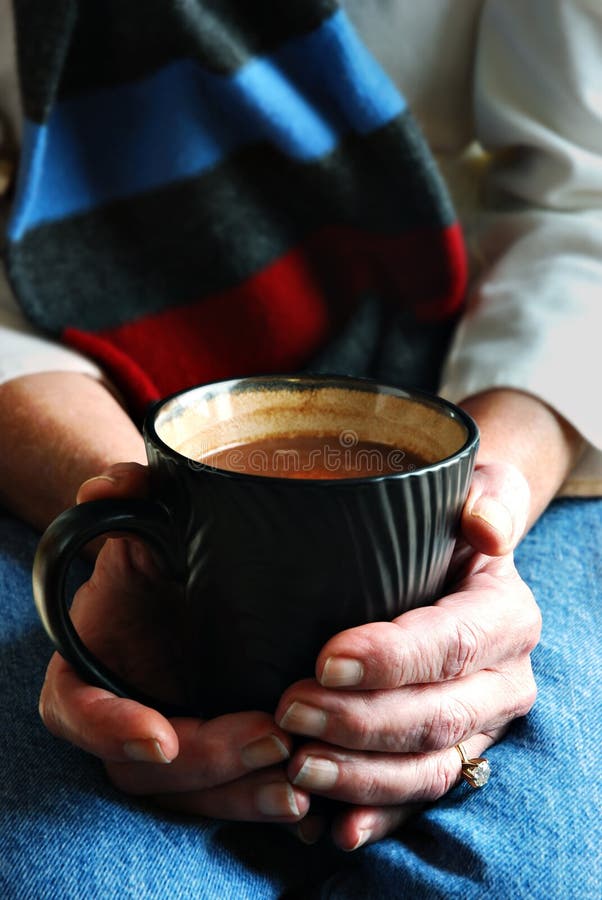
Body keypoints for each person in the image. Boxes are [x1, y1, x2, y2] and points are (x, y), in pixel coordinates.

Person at [1, 1, 601, 897]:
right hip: (65, 416)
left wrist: (490, 496)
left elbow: (582, 201)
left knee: (533, 875)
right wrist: (125, 515)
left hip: (479, 393)